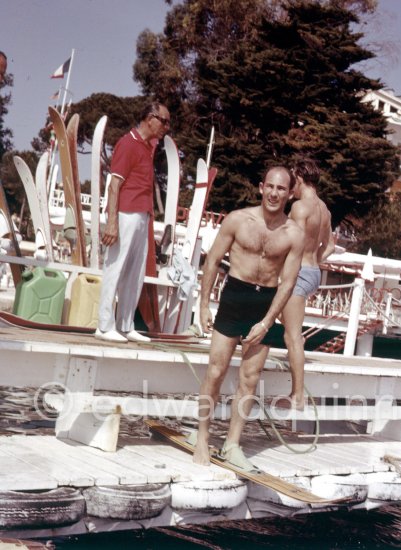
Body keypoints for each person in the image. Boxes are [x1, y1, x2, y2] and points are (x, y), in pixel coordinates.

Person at [192, 166, 304, 470]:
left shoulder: (294, 234)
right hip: (234, 297)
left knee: (249, 380)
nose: (274, 193)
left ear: (290, 193)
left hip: (264, 303)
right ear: (260, 186)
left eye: (281, 189)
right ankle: (202, 437)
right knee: (215, 372)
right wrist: (203, 306)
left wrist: (267, 321)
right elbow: (213, 260)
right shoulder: (238, 220)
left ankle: (231, 444)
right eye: (269, 186)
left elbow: (289, 283)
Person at [95, 101, 170, 343]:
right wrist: (112, 222)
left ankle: (125, 325)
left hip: (141, 215)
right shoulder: (127, 143)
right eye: (164, 121)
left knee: (135, 273)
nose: (166, 127)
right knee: (115, 267)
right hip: (125, 213)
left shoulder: (147, 147)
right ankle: (104, 326)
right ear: (150, 118)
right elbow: (114, 184)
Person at [281, 158, 334, 410]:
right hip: (313, 272)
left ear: (299, 179)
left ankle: (297, 396)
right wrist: (316, 261)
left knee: (292, 336)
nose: (291, 186)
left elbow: (293, 243)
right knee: (290, 327)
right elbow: (330, 245)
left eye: (293, 181)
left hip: (299, 271)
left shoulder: (300, 208)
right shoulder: (325, 209)